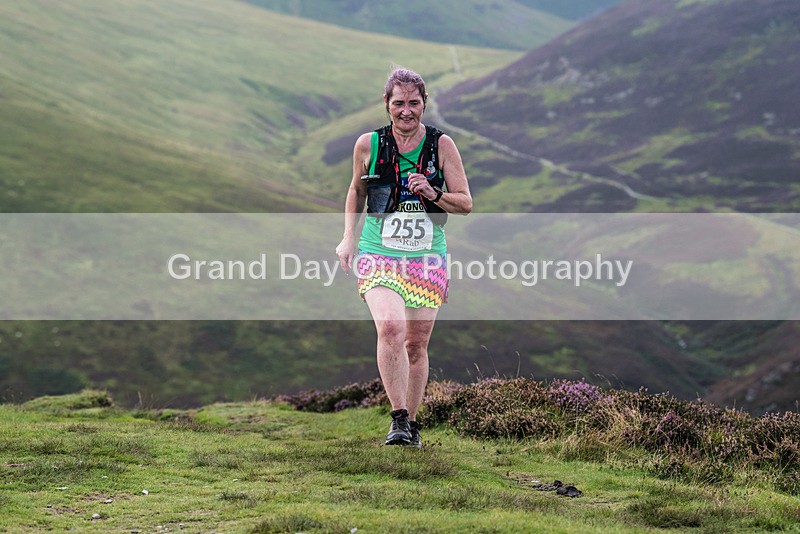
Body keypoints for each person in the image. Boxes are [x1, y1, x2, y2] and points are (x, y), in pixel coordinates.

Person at [335, 67, 472, 447]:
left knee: (415, 345)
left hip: (427, 257)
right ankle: (397, 419)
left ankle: (411, 424)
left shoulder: (442, 146)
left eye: (414, 103)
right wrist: (348, 238)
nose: (406, 111)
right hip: (379, 253)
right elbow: (355, 191)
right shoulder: (368, 144)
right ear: (387, 104)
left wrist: (433, 193)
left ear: (424, 104)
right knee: (391, 327)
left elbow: (465, 204)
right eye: (399, 103)